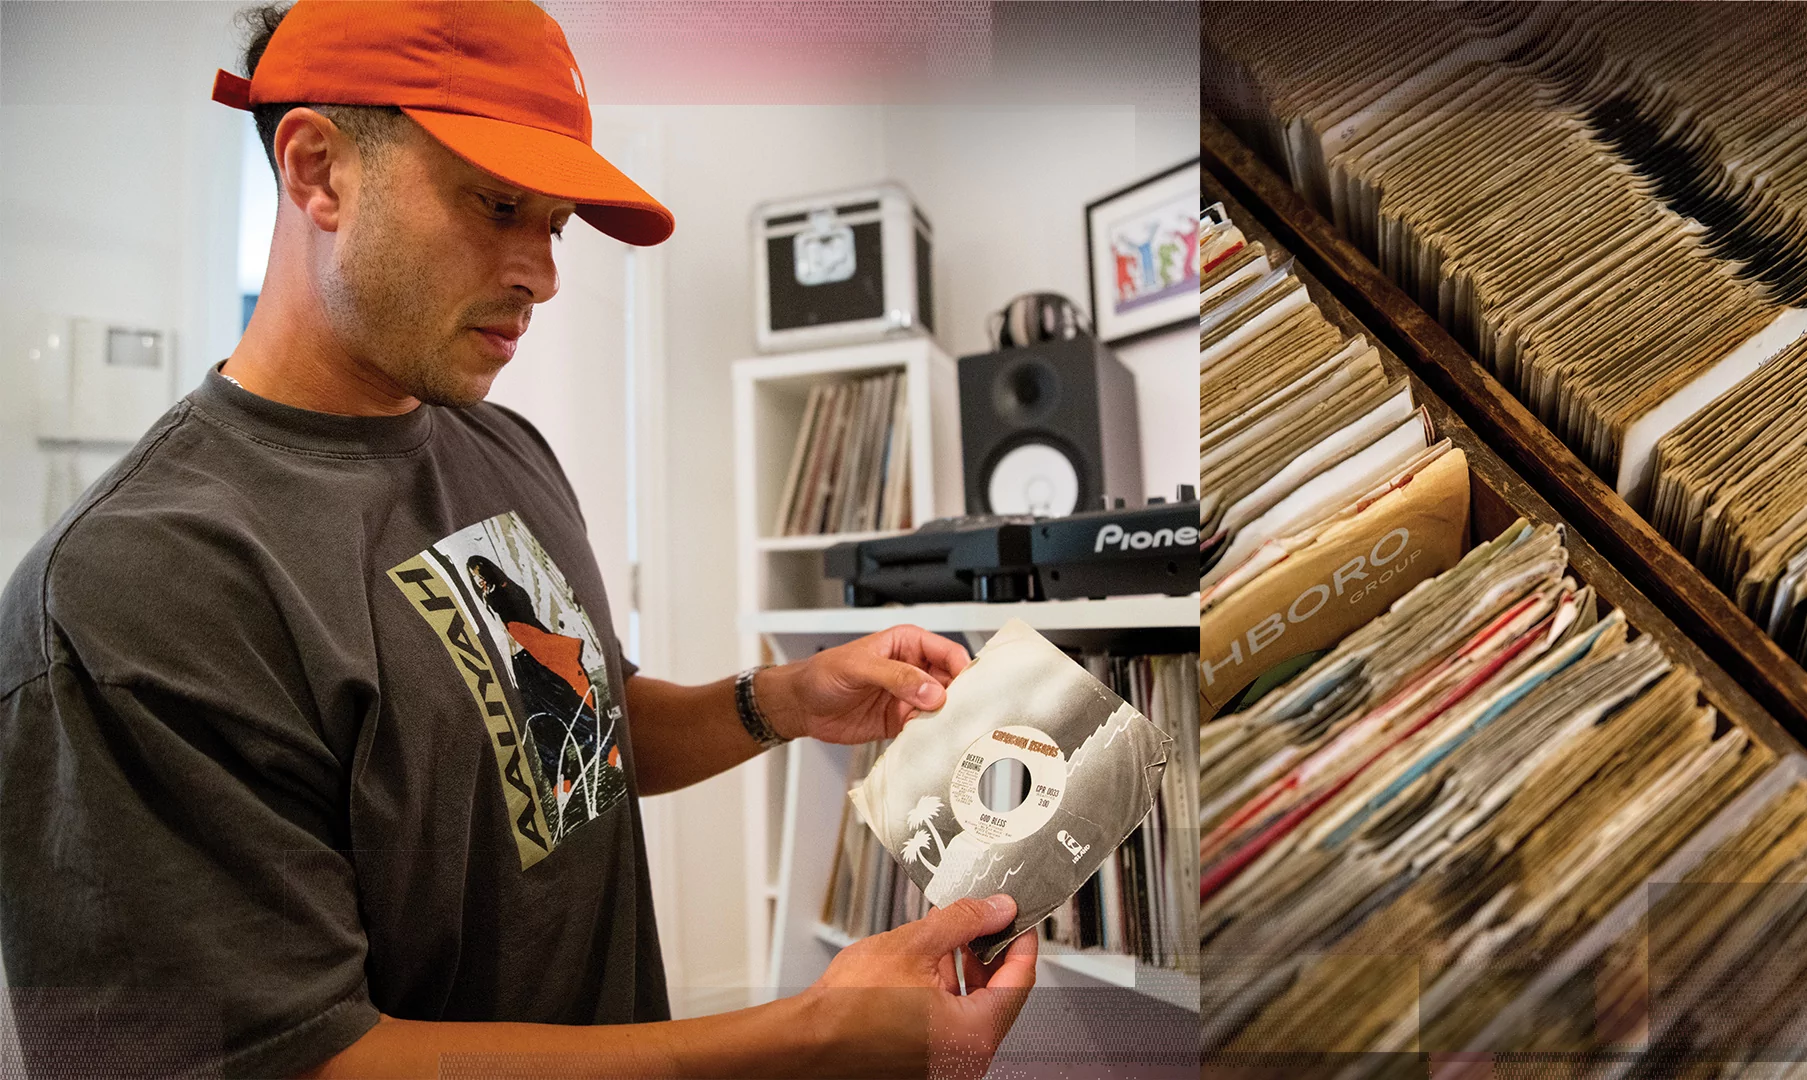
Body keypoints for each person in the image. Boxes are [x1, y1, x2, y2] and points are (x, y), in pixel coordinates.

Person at [0, 2, 1037, 1076]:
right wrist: (811, 1038)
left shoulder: (504, 448)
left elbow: (577, 735)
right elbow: (296, 1059)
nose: (542, 273)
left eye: (555, 223)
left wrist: (779, 701)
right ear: (319, 170)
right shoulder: (134, 590)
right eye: (498, 205)